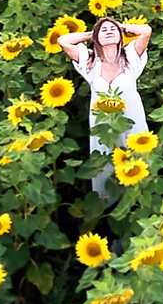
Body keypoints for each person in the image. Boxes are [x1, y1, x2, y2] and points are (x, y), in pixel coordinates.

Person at [55, 15, 151, 199]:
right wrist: (90, 34)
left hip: (131, 121)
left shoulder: (131, 57)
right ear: (96, 37)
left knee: (137, 161)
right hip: (103, 125)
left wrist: (121, 27)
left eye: (112, 29)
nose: (108, 31)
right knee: (105, 162)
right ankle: (108, 206)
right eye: (103, 30)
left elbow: (146, 31)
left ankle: (138, 201)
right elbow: (63, 41)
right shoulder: (90, 61)